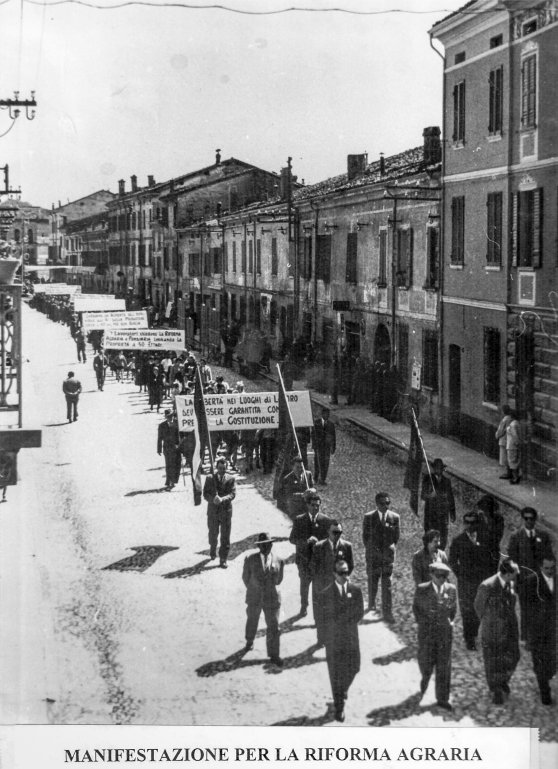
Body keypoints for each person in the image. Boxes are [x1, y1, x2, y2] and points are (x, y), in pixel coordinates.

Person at [321, 559, 364, 722]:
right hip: (334, 641)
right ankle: (339, 707)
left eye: (347, 572)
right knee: (336, 674)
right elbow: (323, 618)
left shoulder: (356, 590)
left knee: (355, 667)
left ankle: (343, 689)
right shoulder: (326, 593)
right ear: (334, 574)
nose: (345, 576)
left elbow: (359, 612)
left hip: (351, 637)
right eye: (341, 573)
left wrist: (345, 620)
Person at [474, 557, 521, 705]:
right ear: (507, 574)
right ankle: (496, 690)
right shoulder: (487, 586)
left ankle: (502, 680)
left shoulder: (510, 583)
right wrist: (491, 622)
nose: (517, 575)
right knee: (493, 661)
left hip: (510, 629)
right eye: (515, 573)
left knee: (514, 656)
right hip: (492, 631)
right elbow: (478, 607)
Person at [412, 562, 457, 711]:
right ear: (431, 575)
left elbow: (453, 611)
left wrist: (447, 623)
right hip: (427, 634)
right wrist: (424, 626)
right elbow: (417, 610)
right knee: (425, 662)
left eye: (445, 576)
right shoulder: (422, 589)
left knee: (444, 666)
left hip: (444, 634)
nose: (442, 579)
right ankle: (425, 677)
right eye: (439, 576)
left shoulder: (451, 590)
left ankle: (442, 698)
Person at [507, 506, 553, 642]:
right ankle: (527, 637)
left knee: (539, 608)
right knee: (526, 609)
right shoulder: (516, 537)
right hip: (524, 580)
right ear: (523, 519)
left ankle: (537, 635)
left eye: (531, 518)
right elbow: (512, 560)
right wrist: (514, 580)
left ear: (535, 519)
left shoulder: (543, 536)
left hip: (540, 580)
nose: (529, 521)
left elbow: (549, 556)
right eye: (526, 518)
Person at [448, 512, 492, 650]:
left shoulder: (485, 539)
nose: (470, 525)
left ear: (477, 524)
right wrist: (461, 574)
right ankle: (469, 638)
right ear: (464, 523)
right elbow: (452, 561)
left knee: (479, 608)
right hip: (466, 582)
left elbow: (490, 558)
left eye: (473, 523)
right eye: (467, 522)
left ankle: (474, 633)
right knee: (467, 610)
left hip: (481, 581)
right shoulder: (458, 540)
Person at [242, 532, 284, 667]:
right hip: (255, 596)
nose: (266, 547)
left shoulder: (279, 560)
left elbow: (279, 580)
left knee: (274, 626)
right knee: (252, 619)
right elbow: (245, 578)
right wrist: (254, 588)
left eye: (268, 544)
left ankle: (274, 654)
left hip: (272, 598)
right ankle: (249, 641)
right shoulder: (250, 559)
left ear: (272, 544)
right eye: (263, 545)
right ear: (259, 546)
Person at [310, 520, 354, 646]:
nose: (338, 535)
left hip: (339, 587)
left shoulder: (347, 546)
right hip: (322, 586)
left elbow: (350, 565)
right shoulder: (319, 547)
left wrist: (342, 579)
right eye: (335, 532)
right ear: (328, 532)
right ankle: (321, 639)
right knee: (321, 614)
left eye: (340, 532)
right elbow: (313, 567)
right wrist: (320, 584)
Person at [289, 492, 331, 617]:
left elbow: (330, 541)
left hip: (319, 561)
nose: (315, 508)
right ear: (307, 505)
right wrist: (306, 541)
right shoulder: (299, 519)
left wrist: (320, 543)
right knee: (304, 585)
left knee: (318, 587)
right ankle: (304, 606)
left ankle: (317, 611)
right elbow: (292, 539)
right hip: (304, 559)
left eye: (317, 506)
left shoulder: (326, 520)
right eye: (313, 505)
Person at [362, 491, 400, 622]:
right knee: (373, 580)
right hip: (373, 556)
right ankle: (371, 602)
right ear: (377, 504)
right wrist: (372, 550)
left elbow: (396, 537)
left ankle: (387, 613)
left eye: (388, 503)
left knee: (387, 584)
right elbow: (365, 537)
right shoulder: (369, 517)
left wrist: (389, 550)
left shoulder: (395, 517)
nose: (386, 506)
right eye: (383, 503)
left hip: (387, 557)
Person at [524, 555, 556, 705]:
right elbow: (526, 610)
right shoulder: (532, 581)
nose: (550, 571)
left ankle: (547, 676)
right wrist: (527, 635)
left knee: (551, 663)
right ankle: (545, 691)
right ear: (541, 567)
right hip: (537, 630)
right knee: (540, 662)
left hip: (554, 630)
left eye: (552, 568)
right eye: (547, 568)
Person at [203, 457, 236, 568]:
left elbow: (232, 494)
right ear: (216, 468)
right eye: (220, 468)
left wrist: (222, 499)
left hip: (226, 511)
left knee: (225, 536)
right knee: (213, 534)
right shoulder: (210, 478)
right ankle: (213, 548)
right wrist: (212, 499)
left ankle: (223, 559)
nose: (222, 470)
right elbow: (205, 494)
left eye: (224, 469)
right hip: (213, 512)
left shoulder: (231, 479)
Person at [420, 458, 456, 550]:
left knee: (443, 537)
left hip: (443, 515)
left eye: (440, 468)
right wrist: (430, 495)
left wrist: (452, 513)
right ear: (433, 468)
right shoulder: (427, 479)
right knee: (430, 537)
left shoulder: (446, 481)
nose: (438, 470)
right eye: (436, 468)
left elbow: (450, 497)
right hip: (431, 514)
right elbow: (423, 495)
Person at [475, 494, 504, 570]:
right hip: (480, 552)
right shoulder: (478, 517)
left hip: (493, 552)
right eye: (484, 509)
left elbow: (498, 537)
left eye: (488, 509)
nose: (486, 512)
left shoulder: (499, 519)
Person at [157, 409, 182, 490]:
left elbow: (181, 435)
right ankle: (170, 481)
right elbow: (159, 438)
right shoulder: (162, 426)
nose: (170, 418)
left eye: (171, 416)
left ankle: (174, 480)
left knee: (177, 464)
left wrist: (181, 446)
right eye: (168, 416)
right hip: (167, 448)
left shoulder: (178, 423)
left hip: (177, 448)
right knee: (169, 465)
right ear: (166, 417)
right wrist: (159, 449)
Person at [312, 407, 336, 485]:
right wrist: (314, 446)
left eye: (328, 414)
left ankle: (322, 479)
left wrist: (333, 447)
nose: (327, 415)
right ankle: (316, 478)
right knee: (318, 462)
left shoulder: (331, 425)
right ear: (322, 414)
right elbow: (313, 435)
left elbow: (333, 437)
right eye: (325, 414)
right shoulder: (316, 423)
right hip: (319, 447)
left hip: (327, 448)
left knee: (326, 463)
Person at [495, 405, 513, 479]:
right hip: (510, 439)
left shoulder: (505, 420)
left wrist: (497, 435)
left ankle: (508, 473)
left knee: (505, 457)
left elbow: (501, 430)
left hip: (504, 439)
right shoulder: (511, 419)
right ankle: (510, 472)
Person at [505, 410, 522, 484]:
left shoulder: (512, 425)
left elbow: (515, 435)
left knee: (512, 462)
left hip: (512, 445)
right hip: (515, 445)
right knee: (516, 461)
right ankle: (517, 476)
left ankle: (515, 478)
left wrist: (516, 443)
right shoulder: (518, 423)